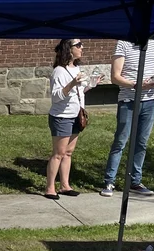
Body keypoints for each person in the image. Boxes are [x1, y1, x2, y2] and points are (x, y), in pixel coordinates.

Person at [100, 39, 154, 197]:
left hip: (150, 100)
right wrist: (135, 85)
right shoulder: (124, 43)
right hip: (128, 100)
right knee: (121, 141)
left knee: (141, 142)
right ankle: (109, 181)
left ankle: (135, 181)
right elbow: (115, 76)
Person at [45, 39, 101, 200]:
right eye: (78, 45)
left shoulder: (76, 68)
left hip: (76, 115)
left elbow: (79, 91)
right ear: (68, 49)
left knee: (68, 153)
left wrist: (92, 84)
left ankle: (65, 186)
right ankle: (50, 188)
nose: (82, 47)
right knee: (58, 153)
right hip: (62, 117)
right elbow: (56, 97)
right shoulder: (59, 71)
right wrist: (72, 83)